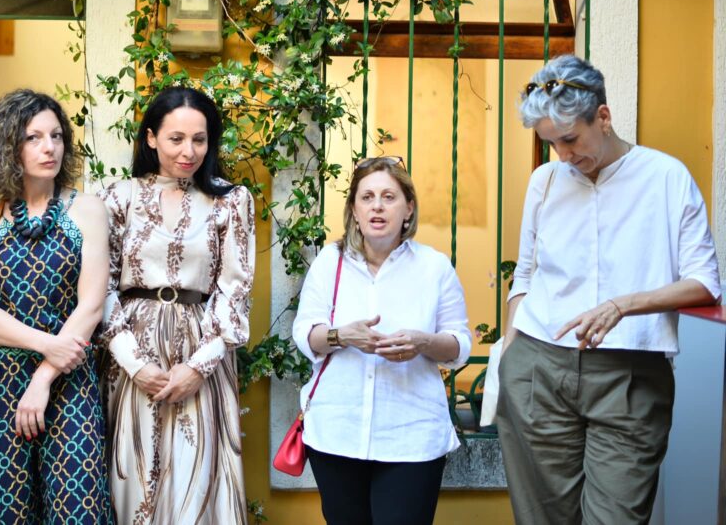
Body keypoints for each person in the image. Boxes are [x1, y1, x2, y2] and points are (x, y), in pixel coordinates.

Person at [496, 55, 721, 525]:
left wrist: (622, 306)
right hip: (538, 367)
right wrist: (509, 350)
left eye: (570, 139)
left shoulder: (666, 177)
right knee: (543, 518)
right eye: (551, 143)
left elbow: (704, 284)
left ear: (603, 116)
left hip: (630, 373)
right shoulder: (544, 181)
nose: (563, 155)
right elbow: (527, 273)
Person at [0, 89, 112, 524]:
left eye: (56, 136)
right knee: (3, 511)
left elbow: (90, 307)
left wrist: (45, 374)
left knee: (76, 505)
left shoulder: (88, 210)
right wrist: (46, 344)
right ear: (9, 146)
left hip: (68, 377)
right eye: (33, 137)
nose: (48, 147)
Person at [102, 86, 255, 524]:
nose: (189, 152)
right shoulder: (118, 197)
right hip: (131, 354)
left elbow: (235, 290)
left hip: (202, 351)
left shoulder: (231, 200)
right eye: (176, 139)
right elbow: (100, 287)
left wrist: (198, 367)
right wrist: (134, 363)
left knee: (195, 481)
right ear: (151, 138)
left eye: (199, 140)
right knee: (133, 481)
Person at [292, 156, 471, 525]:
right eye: (367, 197)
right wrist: (343, 336)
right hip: (337, 433)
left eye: (389, 197)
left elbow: (459, 345)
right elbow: (305, 334)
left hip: (412, 435)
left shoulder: (434, 267)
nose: (377, 206)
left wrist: (424, 343)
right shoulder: (329, 262)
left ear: (409, 208)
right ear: (354, 210)